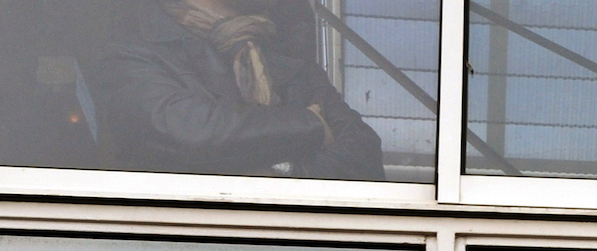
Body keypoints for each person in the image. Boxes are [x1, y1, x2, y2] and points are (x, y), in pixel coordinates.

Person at [91, 0, 383, 179]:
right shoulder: (134, 53)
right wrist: (311, 126)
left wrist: (286, 171)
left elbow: (364, 155)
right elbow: (187, 134)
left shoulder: (291, 62)